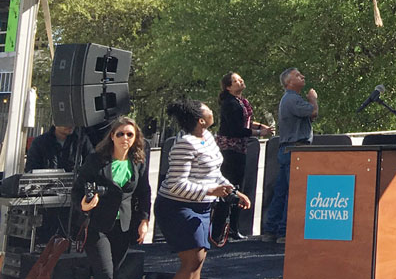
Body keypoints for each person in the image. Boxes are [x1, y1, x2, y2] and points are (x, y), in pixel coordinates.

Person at [154, 99, 249, 279]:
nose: (212, 111)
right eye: (208, 110)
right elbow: (176, 184)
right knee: (192, 259)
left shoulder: (207, 136)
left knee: (199, 259)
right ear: (200, 120)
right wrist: (211, 191)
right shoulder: (185, 143)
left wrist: (234, 191)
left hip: (202, 207)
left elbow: (213, 173)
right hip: (177, 207)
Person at [71, 117, 151, 279]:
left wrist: (144, 220)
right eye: (120, 134)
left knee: (114, 272)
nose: (125, 138)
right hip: (98, 225)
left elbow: (144, 192)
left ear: (135, 138)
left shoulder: (137, 162)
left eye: (130, 134)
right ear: (112, 136)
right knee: (105, 274)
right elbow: (77, 189)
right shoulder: (96, 160)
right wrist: (83, 206)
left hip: (124, 227)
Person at [261, 67, 317, 243]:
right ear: (288, 82)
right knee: (293, 191)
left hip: (287, 149)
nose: (302, 77)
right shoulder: (292, 99)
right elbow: (313, 112)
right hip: (295, 149)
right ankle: (285, 231)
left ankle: (271, 229)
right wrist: (313, 100)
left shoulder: (292, 99)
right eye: (297, 75)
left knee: (282, 190)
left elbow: (309, 117)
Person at [213, 72, 271, 241]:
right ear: (228, 87)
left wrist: (261, 126)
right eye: (236, 81)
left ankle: (233, 228)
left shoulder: (241, 102)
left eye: (240, 79)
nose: (241, 81)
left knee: (239, 186)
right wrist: (260, 132)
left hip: (240, 148)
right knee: (230, 187)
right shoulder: (229, 104)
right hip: (230, 149)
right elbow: (237, 129)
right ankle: (218, 230)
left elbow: (245, 121)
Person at [25, 121, 93, 171]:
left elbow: (92, 164)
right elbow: (31, 169)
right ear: (54, 121)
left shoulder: (82, 140)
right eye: (65, 119)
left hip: (76, 187)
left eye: (72, 119)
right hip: (46, 187)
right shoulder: (39, 143)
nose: (70, 123)